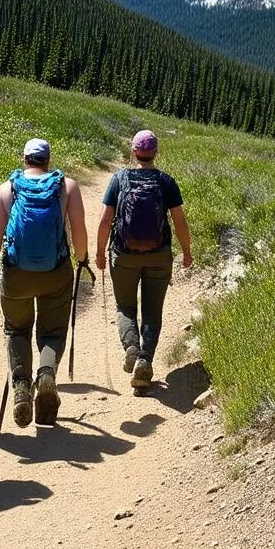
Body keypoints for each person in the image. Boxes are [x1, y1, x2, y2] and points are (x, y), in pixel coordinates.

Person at [0, 138, 88, 427]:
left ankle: (21, 385)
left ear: (24, 159)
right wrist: (81, 259)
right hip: (55, 272)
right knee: (52, 331)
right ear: (48, 159)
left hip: (16, 274)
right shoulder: (66, 187)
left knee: (17, 329)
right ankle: (45, 374)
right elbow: (79, 231)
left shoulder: (8, 189)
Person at [96, 130, 192, 390]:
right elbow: (180, 221)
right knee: (152, 311)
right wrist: (186, 251)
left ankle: (131, 347)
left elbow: (106, 220)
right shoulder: (166, 182)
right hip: (159, 256)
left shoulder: (119, 179)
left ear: (133, 152)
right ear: (155, 152)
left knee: (125, 307)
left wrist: (98, 252)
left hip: (124, 254)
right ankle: (144, 360)